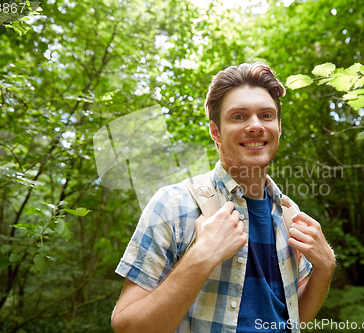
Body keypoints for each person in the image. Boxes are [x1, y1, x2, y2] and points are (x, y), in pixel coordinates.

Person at [111, 62, 336, 333]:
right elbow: (127, 328)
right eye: (239, 117)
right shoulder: (173, 205)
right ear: (215, 132)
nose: (255, 126)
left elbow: (294, 317)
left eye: (266, 115)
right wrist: (201, 256)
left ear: (278, 126)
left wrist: (325, 268)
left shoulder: (289, 213)